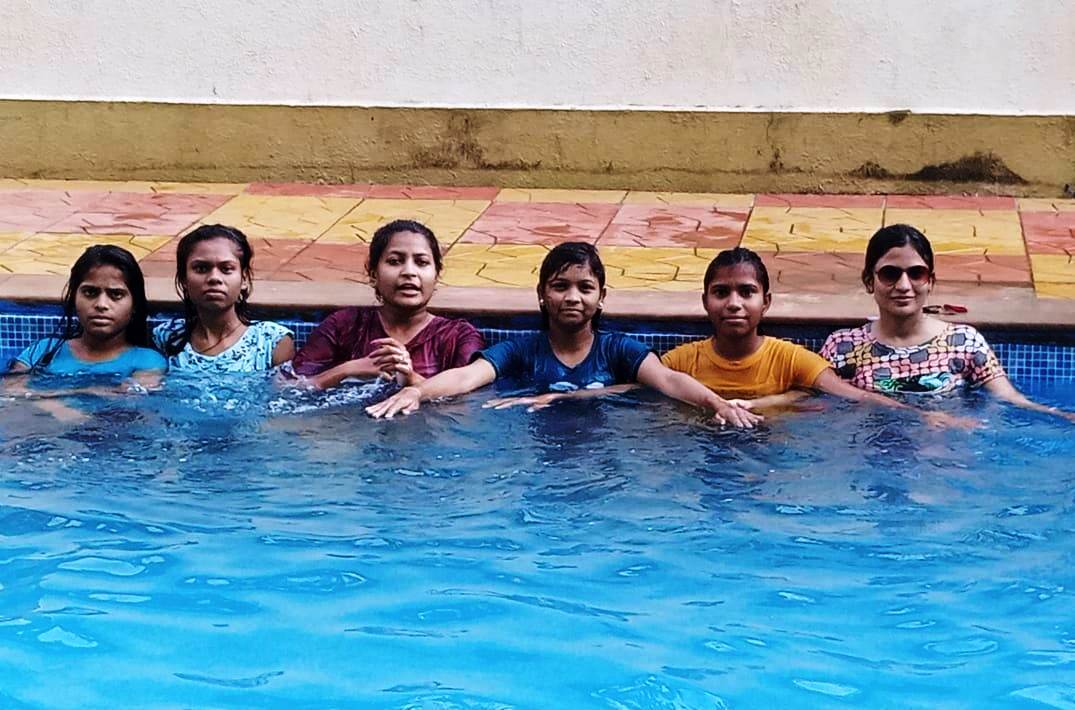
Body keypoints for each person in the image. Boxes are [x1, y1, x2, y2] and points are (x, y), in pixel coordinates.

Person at [367, 242, 762, 428]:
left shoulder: (618, 350)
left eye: (585, 288)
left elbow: (668, 380)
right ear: (542, 293)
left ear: (601, 297)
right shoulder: (522, 350)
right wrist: (419, 392)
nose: (573, 297)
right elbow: (468, 377)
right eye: (560, 286)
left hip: (604, 456)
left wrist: (715, 402)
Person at [821, 224, 1074, 421]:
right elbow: (813, 402)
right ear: (869, 281)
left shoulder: (963, 342)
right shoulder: (844, 347)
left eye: (916, 274)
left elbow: (1009, 399)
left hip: (941, 454)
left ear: (930, 281)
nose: (904, 286)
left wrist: (1060, 416)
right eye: (890, 274)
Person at [660, 247, 941, 415]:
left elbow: (853, 396)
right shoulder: (681, 362)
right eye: (721, 293)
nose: (734, 304)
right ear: (705, 301)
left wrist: (919, 415)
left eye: (747, 292)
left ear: (766, 302)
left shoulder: (790, 359)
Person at [290, 220, 483, 389]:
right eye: (394, 261)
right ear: (373, 274)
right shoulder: (344, 326)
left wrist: (411, 379)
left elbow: (470, 403)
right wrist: (349, 369)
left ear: (436, 275)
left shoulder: (458, 337)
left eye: (421, 262)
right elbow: (288, 387)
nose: (409, 272)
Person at [9, 245, 166, 381]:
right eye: (90, 292)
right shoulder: (41, 352)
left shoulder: (147, 362)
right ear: (74, 297)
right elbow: (12, 394)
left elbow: (126, 401)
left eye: (116, 294)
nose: (101, 304)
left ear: (134, 304)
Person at [154, 224, 294, 374]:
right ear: (183, 280)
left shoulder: (271, 341)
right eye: (201, 269)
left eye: (226, 269)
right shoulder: (167, 336)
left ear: (244, 279)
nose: (214, 278)